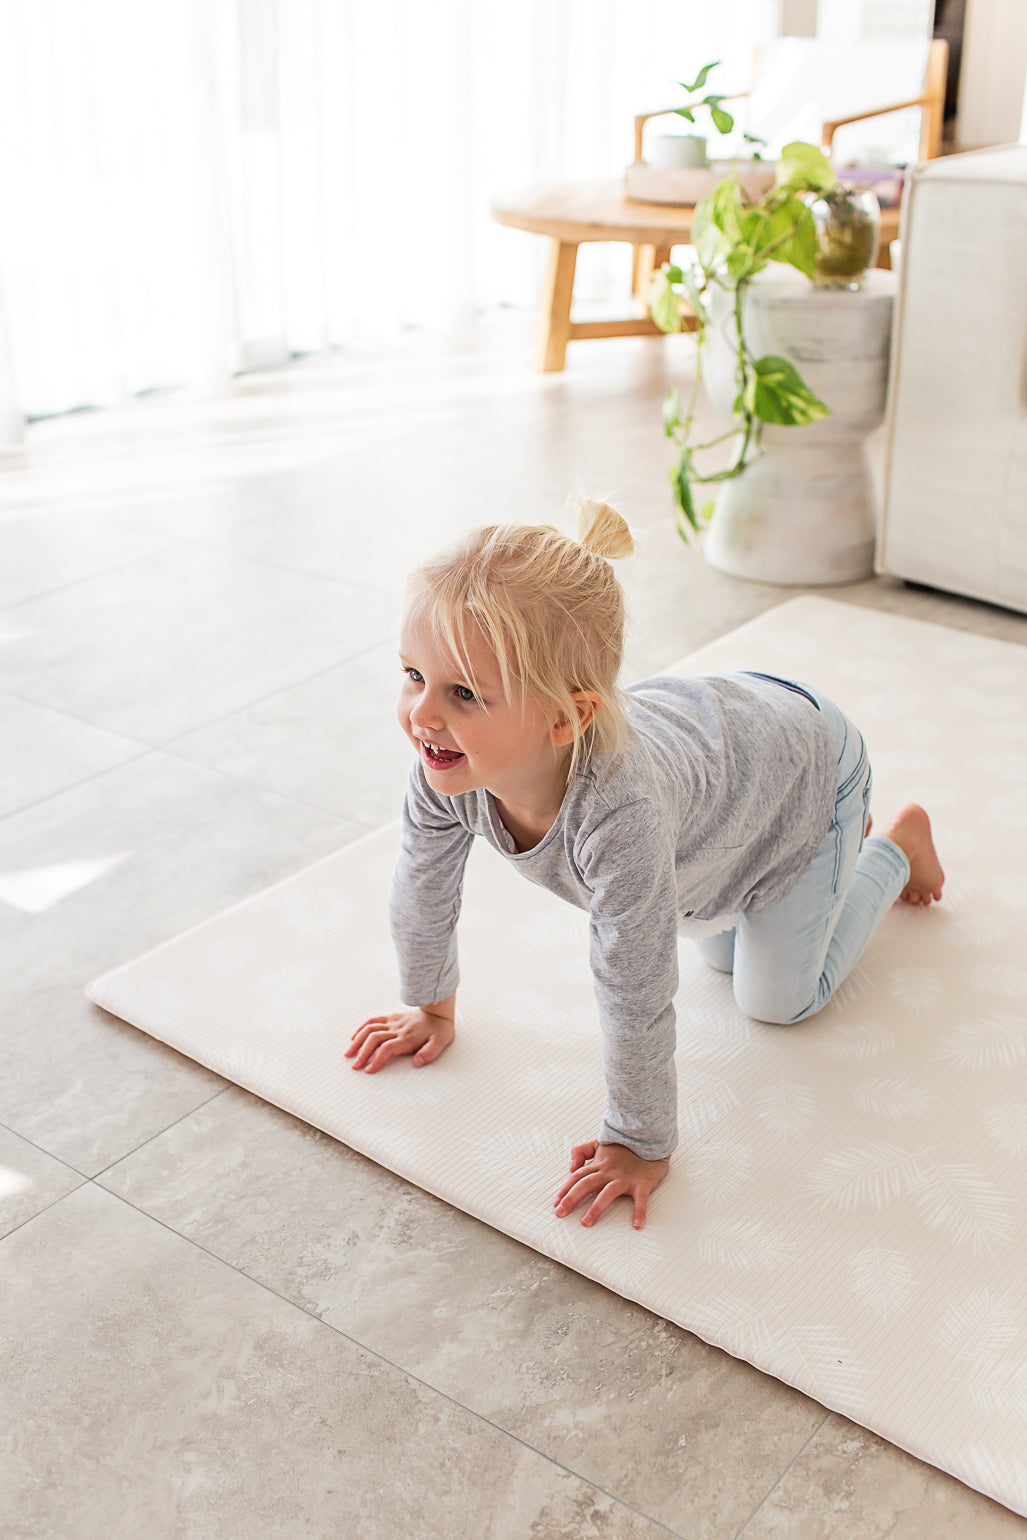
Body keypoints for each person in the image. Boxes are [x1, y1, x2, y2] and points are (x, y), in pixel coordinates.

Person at [345, 498, 944, 1231]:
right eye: (413, 675)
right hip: (726, 776)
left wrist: (639, 1139)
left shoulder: (618, 816)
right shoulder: (446, 765)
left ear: (567, 719)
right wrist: (429, 1004)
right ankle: (813, 871)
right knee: (715, 953)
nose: (422, 715)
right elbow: (421, 886)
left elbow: (633, 986)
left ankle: (890, 847)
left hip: (805, 776)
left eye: (462, 693)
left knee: (775, 1002)